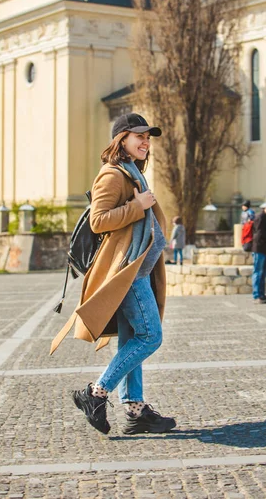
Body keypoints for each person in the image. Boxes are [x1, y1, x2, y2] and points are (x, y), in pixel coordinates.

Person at [50, 113, 176, 436]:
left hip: (138, 269)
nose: (146, 142)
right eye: (139, 136)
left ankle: (135, 409)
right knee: (151, 336)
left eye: (148, 137)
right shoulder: (112, 175)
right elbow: (98, 220)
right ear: (122, 139)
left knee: (133, 339)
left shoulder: (133, 173)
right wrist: (139, 206)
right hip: (127, 273)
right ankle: (96, 392)